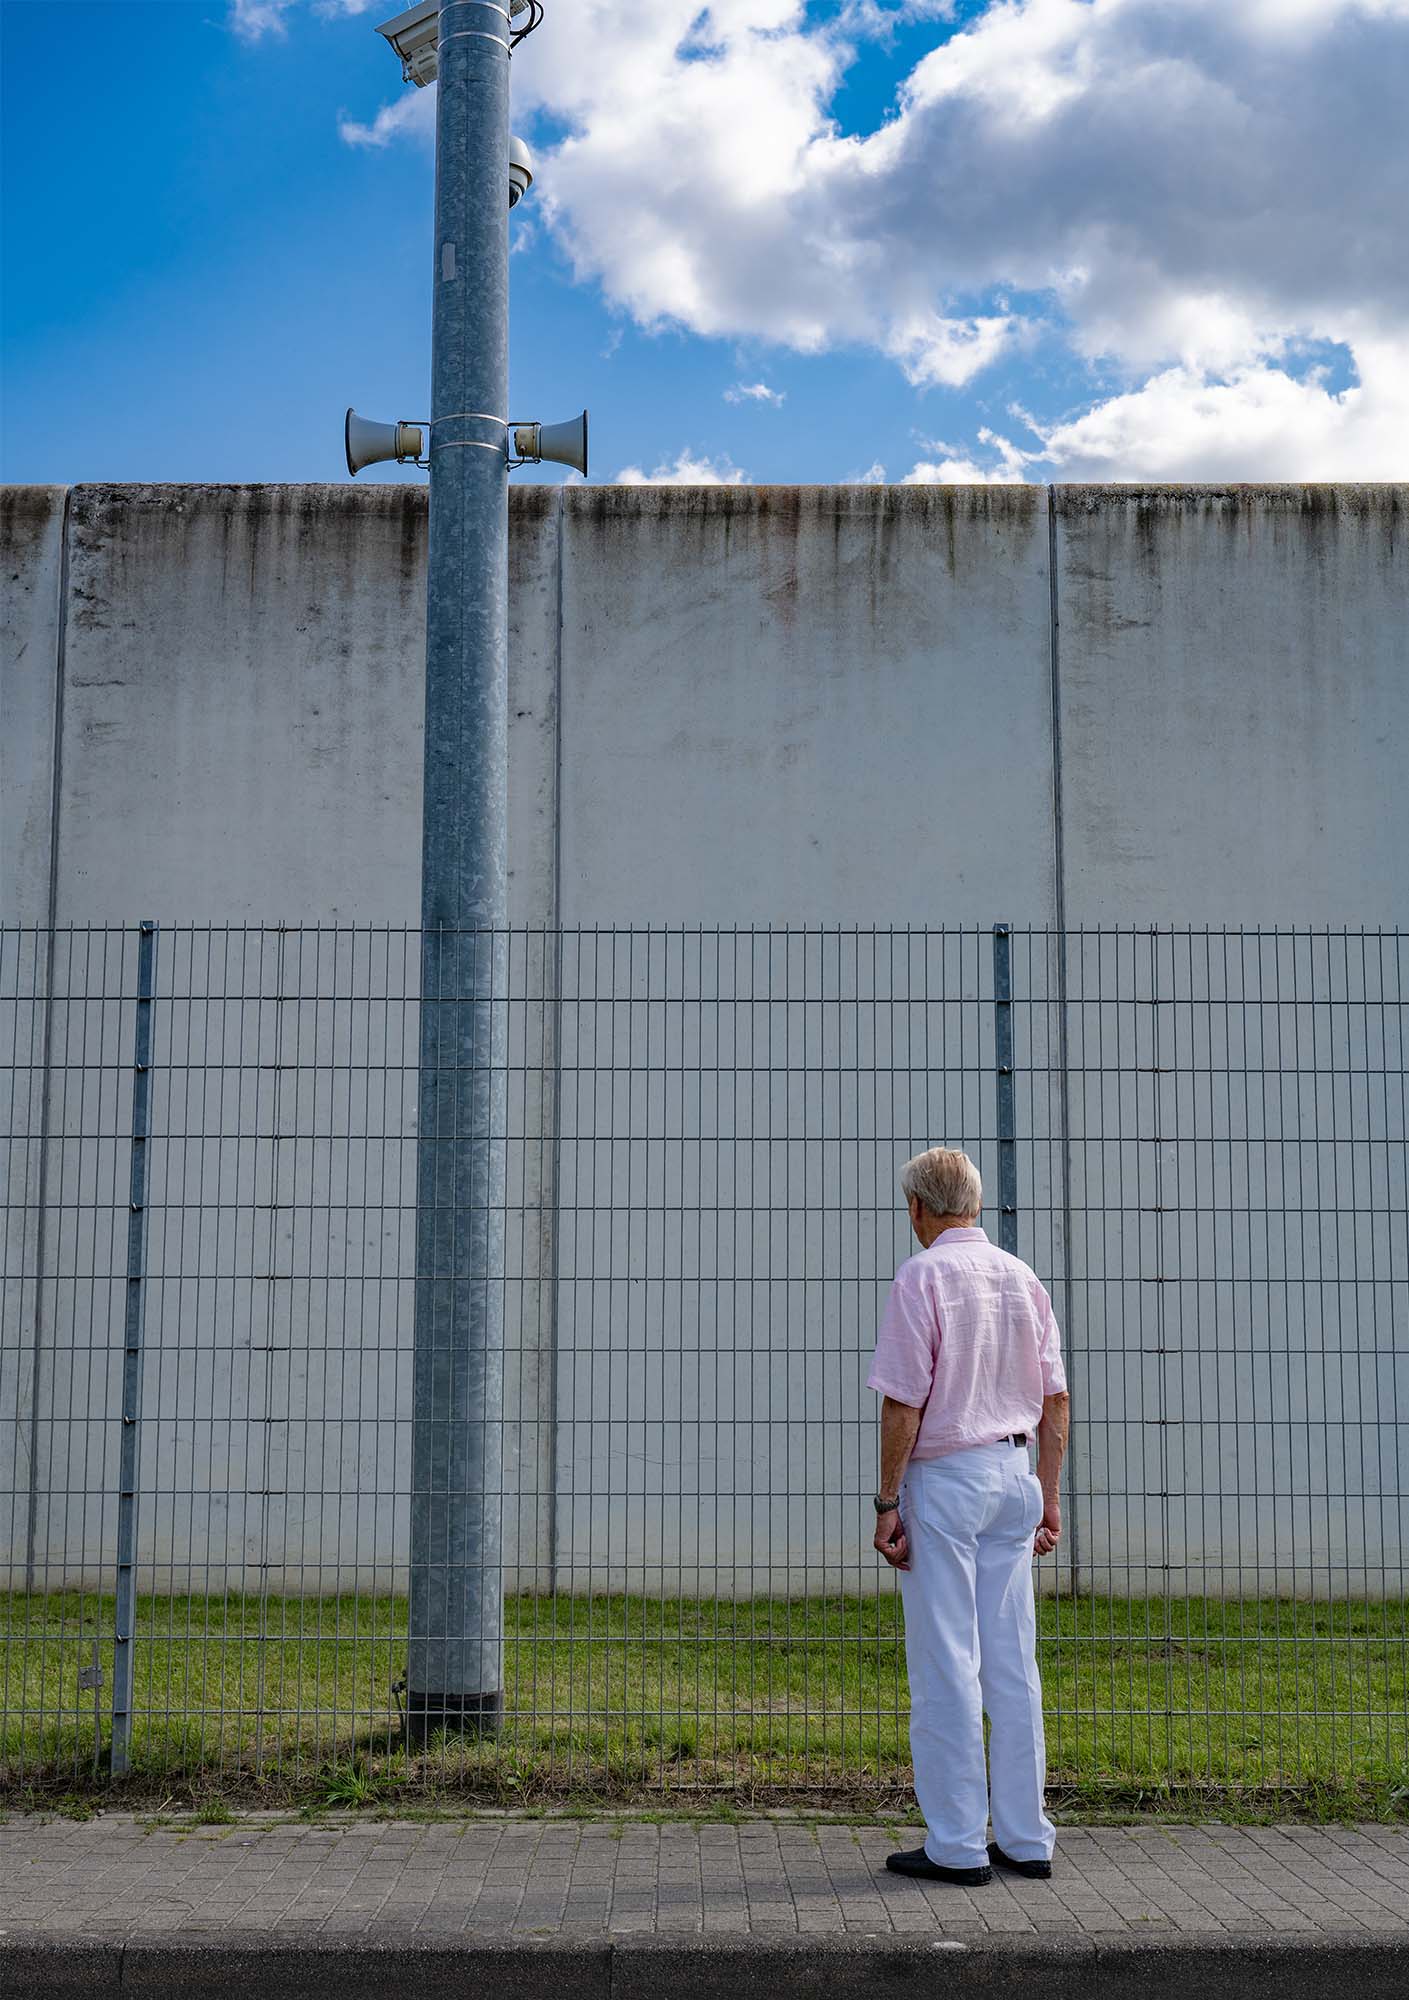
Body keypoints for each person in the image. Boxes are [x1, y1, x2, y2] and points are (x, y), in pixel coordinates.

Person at [867, 1146, 1070, 1885]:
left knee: (948, 1663)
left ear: (918, 1207)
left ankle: (955, 1844)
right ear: (975, 1204)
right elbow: (1054, 1399)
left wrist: (888, 1501)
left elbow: (902, 1401)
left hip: (946, 1480)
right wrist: (1047, 1494)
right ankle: (1024, 1837)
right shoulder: (1021, 1278)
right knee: (1014, 1663)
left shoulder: (919, 1276)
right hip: (1012, 1472)